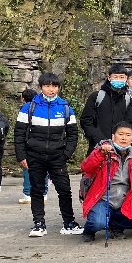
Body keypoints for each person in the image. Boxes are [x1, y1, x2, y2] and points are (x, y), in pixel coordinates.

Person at [14, 73, 81, 237]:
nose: (51, 89)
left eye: (54, 86)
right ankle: (39, 224)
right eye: (47, 86)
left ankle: (69, 223)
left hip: (57, 157)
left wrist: (65, 155)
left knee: (64, 190)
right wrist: (22, 156)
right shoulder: (29, 107)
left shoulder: (66, 108)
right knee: (37, 191)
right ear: (40, 87)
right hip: (34, 156)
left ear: (58, 88)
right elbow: (19, 133)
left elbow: (73, 135)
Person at [80, 122, 132, 242]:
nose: (124, 138)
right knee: (98, 223)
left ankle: (115, 225)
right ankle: (89, 229)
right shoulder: (102, 150)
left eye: (128, 135)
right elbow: (86, 167)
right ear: (113, 136)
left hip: (124, 200)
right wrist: (100, 153)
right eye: (120, 134)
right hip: (102, 199)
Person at [79, 64, 132, 150]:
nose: (118, 80)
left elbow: (131, 123)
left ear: (126, 79)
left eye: (121, 77)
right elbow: (86, 121)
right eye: (115, 77)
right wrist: (100, 140)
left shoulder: (128, 99)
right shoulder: (97, 96)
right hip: (97, 146)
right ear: (109, 78)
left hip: (120, 148)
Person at [17, 88, 46, 205]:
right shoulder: (42, 107)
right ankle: (44, 193)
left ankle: (28, 194)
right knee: (44, 169)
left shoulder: (25, 109)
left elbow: (20, 130)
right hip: (43, 143)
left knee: (28, 169)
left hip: (29, 144)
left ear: (23, 99)